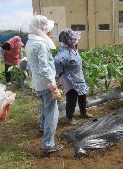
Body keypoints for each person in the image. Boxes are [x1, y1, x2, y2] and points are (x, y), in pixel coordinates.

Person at [25, 15, 63, 155]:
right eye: (48, 29)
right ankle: (48, 145)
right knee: (52, 113)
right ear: (42, 29)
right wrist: (53, 88)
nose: (49, 32)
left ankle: (42, 127)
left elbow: (31, 65)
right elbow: (44, 69)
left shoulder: (30, 42)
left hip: (38, 83)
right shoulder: (40, 44)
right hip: (46, 84)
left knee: (45, 108)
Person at [54, 28, 93, 125]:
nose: (75, 40)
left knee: (82, 95)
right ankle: (69, 118)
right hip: (69, 79)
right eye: (72, 38)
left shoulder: (73, 47)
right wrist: (61, 74)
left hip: (78, 76)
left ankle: (83, 112)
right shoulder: (64, 53)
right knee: (72, 98)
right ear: (67, 40)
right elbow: (56, 64)